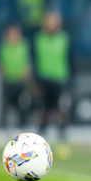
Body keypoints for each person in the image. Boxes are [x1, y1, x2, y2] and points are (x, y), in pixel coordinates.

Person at [34, 12, 71, 143]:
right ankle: (41, 130)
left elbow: (70, 58)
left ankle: (62, 131)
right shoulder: (39, 38)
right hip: (44, 78)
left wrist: (70, 80)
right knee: (43, 107)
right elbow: (35, 59)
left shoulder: (63, 38)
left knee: (61, 107)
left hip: (60, 78)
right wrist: (36, 80)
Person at [0, 24, 31, 129]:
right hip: (8, 80)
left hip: (20, 81)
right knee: (6, 105)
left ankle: (20, 127)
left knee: (21, 105)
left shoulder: (23, 46)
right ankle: (2, 128)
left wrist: (26, 71)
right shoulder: (4, 47)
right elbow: (1, 63)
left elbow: (27, 62)